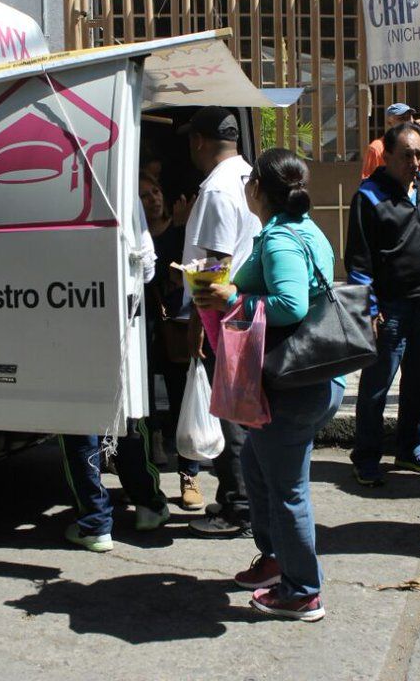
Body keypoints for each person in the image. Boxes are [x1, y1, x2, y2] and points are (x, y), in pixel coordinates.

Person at [192, 148, 343, 622]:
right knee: (256, 464)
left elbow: (290, 305)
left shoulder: (280, 240)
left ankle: (302, 592)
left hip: (292, 385)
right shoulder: (298, 230)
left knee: (287, 490)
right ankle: (277, 559)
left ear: (257, 188)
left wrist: (233, 294)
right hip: (307, 378)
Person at [345, 122, 420, 485]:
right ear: (387, 155)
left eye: (419, 154)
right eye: (407, 154)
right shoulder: (369, 196)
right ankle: (366, 457)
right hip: (389, 310)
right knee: (377, 386)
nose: (415, 161)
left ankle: (410, 449)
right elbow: (359, 262)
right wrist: (371, 309)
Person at [61, 200, 170, 552]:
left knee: (78, 419)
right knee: (124, 414)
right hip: (121, 316)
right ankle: (148, 505)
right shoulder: (119, 181)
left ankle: (95, 522)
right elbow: (148, 263)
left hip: (62, 310)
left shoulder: (46, 189)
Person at [180, 106, 262, 538]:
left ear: (199, 141)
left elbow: (214, 266)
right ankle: (247, 501)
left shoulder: (215, 190)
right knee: (245, 411)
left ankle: (238, 508)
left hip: (224, 315)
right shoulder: (249, 176)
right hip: (248, 310)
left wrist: (198, 323)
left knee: (232, 414)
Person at [140, 172, 205, 510]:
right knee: (143, 402)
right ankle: (148, 466)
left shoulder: (182, 231)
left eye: (156, 191)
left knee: (182, 401)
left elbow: (190, 270)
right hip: (142, 327)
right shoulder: (134, 237)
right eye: (145, 196)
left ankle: (189, 476)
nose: (154, 200)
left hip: (176, 327)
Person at [360, 103, 420, 182]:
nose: (407, 122)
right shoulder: (377, 147)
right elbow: (368, 181)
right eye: (401, 118)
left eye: (409, 117)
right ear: (389, 122)